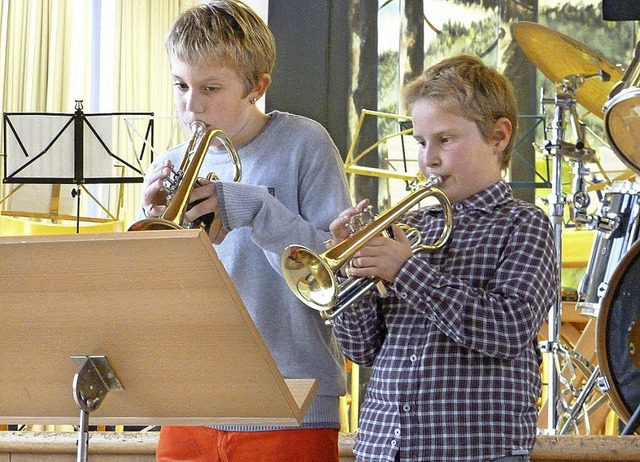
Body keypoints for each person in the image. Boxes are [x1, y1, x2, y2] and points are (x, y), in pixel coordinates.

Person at [138, 2, 351, 461]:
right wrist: (150, 234)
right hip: (190, 402)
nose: (191, 106)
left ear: (257, 87)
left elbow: (337, 269)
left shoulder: (305, 143)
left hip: (291, 402)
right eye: (181, 86)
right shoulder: (168, 163)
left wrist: (255, 208)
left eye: (210, 88)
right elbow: (153, 297)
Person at [329, 54, 558, 462]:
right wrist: (353, 273)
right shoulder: (411, 227)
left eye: (445, 140)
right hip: (385, 445)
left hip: (476, 449)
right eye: (420, 142)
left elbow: (508, 329)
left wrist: (405, 270)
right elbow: (363, 349)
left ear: (499, 136)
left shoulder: (525, 225)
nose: (428, 159)